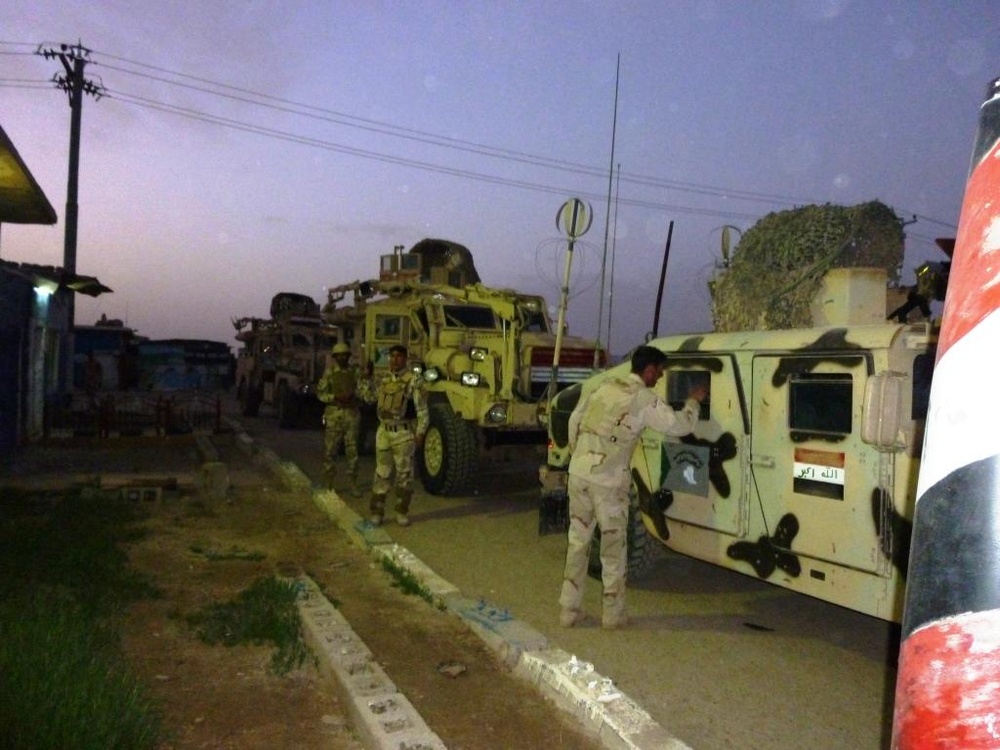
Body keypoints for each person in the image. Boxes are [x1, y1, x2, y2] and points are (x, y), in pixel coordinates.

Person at [559, 345, 707, 630]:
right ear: (649, 370)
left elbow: (574, 420)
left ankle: (569, 610)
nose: (660, 380)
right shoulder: (642, 398)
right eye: (659, 373)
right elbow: (678, 426)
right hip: (609, 483)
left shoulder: (604, 385)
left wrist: (581, 457)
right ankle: (613, 615)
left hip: (579, 475)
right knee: (613, 550)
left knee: (578, 542)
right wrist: (693, 401)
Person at [359, 344, 428, 526]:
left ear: (405, 359)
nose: (394, 360)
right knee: (381, 474)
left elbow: (422, 410)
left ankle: (401, 511)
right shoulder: (383, 379)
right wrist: (366, 378)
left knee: (404, 476)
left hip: (403, 433)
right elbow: (368, 398)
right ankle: (377, 512)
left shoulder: (414, 381)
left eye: (398, 356)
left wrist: (420, 433)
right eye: (392, 356)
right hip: (384, 431)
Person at [316, 342, 363, 496]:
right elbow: (321, 394)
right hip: (334, 414)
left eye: (345, 355)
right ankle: (329, 484)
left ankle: (353, 484)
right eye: (339, 355)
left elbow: (363, 391)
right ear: (335, 357)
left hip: (351, 415)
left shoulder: (355, 372)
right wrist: (335, 397)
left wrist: (354, 395)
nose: (343, 357)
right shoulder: (329, 373)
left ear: (348, 356)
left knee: (353, 452)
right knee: (330, 451)